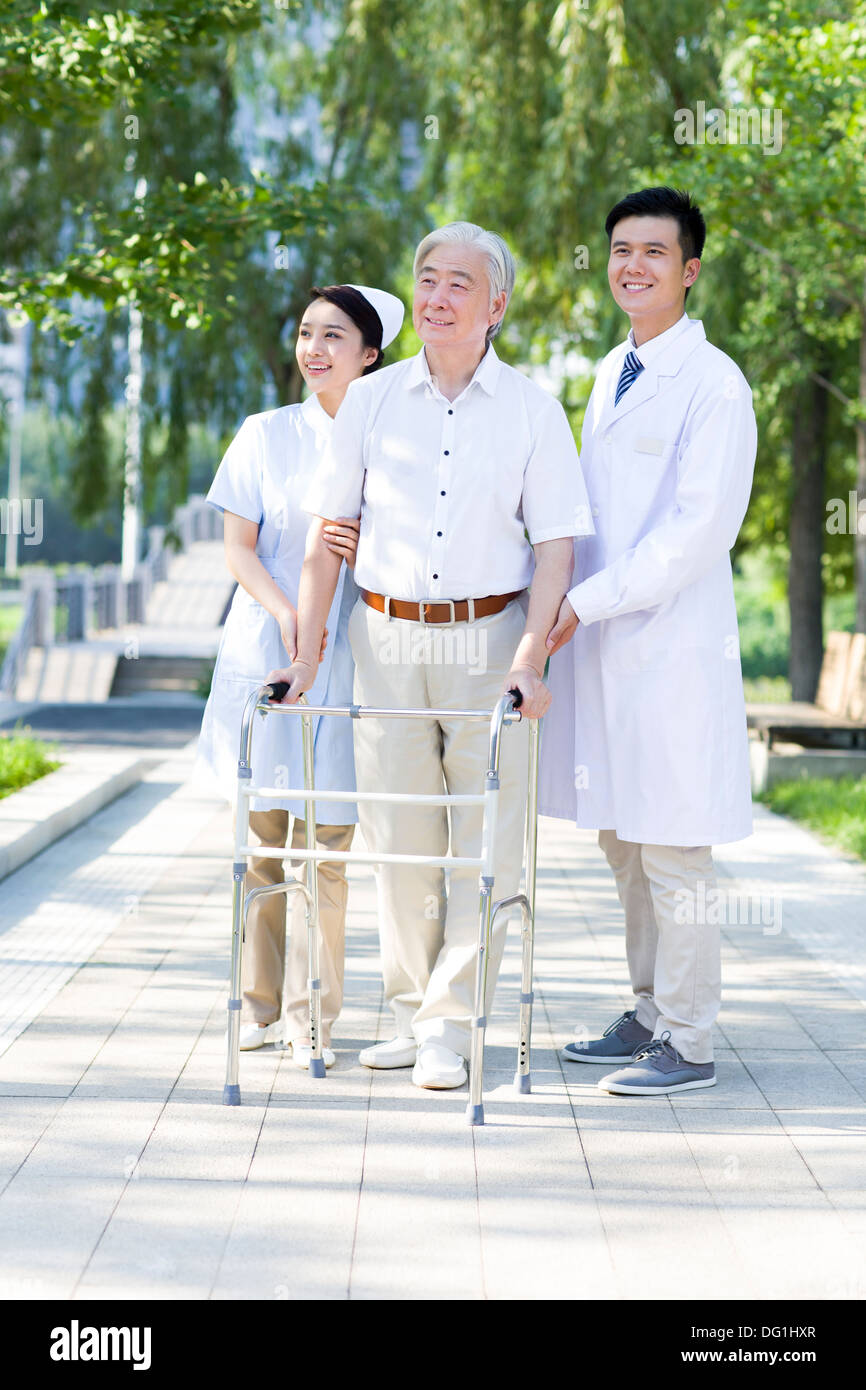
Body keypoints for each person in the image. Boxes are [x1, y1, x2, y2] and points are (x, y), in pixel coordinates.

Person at [269, 221, 593, 1090]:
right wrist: (306, 658)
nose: (437, 295)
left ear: (497, 304)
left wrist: (531, 658)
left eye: (459, 282)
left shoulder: (532, 408)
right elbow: (325, 542)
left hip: (491, 639)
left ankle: (453, 1024)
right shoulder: (373, 403)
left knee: (485, 835)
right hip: (385, 636)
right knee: (402, 836)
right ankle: (415, 1012)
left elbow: (557, 549)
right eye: (426, 277)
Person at [540, 186, 757, 1096]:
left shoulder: (716, 384)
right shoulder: (608, 370)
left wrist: (585, 603)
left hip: (668, 651)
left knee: (674, 848)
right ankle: (647, 1013)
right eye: (621, 249)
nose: (632, 265)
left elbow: (697, 531)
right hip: (609, 652)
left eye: (654, 253)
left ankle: (692, 1041)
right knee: (624, 841)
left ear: (690, 270)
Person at [197, 282, 404, 1067]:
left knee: (329, 844)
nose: (313, 349)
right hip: (265, 643)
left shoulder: (392, 439)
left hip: (350, 652)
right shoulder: (264, 433)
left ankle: (313, 1015)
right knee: (263, 841)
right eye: (307, 333)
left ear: (371, 354)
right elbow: (239, 548)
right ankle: (258, 1002)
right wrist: (288, 614)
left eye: (334, 336)